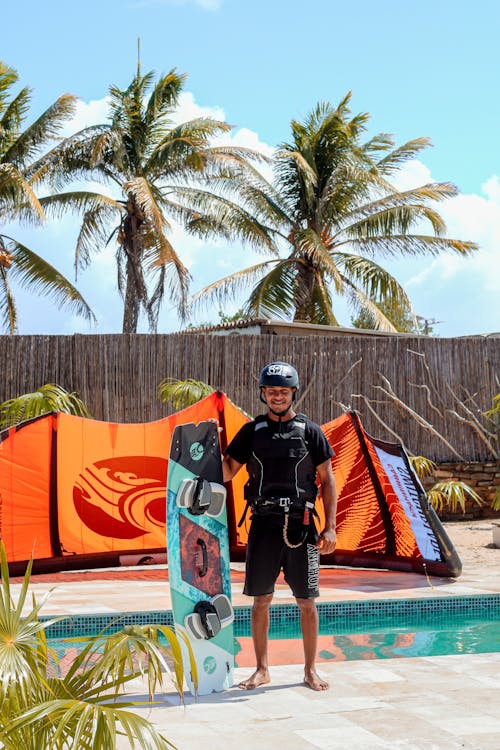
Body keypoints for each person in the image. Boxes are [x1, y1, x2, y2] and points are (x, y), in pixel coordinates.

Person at [222, 361, 337, 691]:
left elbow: (328, 481)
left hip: (302, 526)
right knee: (261, 600)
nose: (277, 396)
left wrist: (329, 527)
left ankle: (311, 669)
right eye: (271, 391)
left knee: (307, 601)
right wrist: (201, 453)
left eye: (283, 391)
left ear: (292, 394)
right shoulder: (251, 431)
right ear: (263, 394)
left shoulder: (310, 431)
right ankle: (261, 669)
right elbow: (227, 469)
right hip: (263, 524)